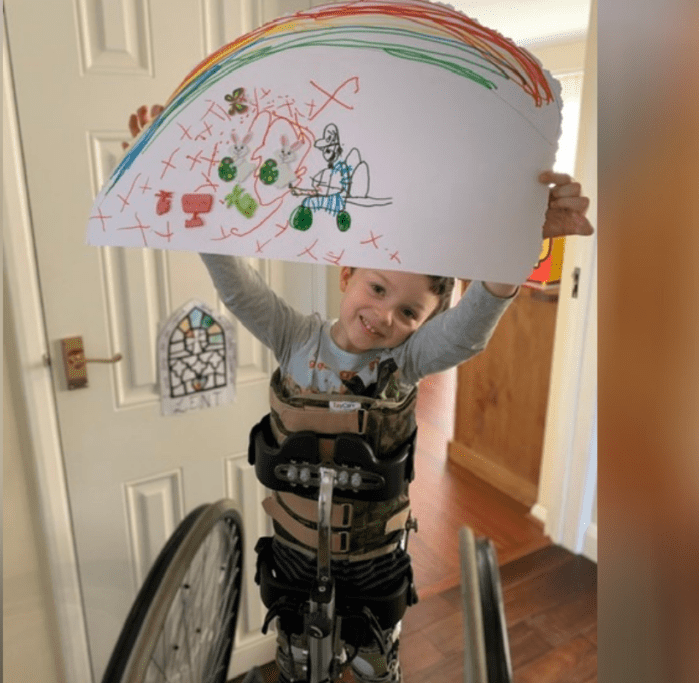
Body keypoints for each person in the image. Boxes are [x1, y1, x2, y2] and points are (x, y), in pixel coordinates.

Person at [202, 171, 593, 683]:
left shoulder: (406, 362)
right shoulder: (293, 337)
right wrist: (203, 205)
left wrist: (508, 257)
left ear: (425, 323)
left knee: (374, 660)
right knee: (296, 658)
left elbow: (467, 334)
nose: (384, 315)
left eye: (409, 312)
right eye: (377, 287)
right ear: (346, 274)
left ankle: (376, 654)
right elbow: (240, 291)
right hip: (295, 547)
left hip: (373, 559)